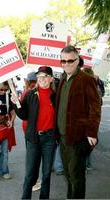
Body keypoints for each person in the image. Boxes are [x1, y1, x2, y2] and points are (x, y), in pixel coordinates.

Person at [55, 45, 101, 199]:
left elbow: (95, 108)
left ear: (77, 60)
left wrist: (92, 133)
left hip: (77, 137)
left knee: (77, 176)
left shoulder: (86, 79)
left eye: (70, 61)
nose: (66, 64)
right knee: (67, 174)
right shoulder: (62, 79)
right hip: (62, 137)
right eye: (63, 61)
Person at [11, 66, 57, 199]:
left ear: (51, 78)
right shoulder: (31, 94)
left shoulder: (55, 96)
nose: (42, 79)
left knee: (47, 173)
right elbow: (24, 115)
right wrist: (15, 103)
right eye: (39, 77)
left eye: (45, 76)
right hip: (33, 139)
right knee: (30, 173)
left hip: (49, 138)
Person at [20, 71, 41, 192]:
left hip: (27, 127)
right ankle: (33, 182)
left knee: (31, 156)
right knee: (33, 158)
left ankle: (32, 181)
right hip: (33, 128)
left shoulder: (25, 92)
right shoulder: (33, 93)